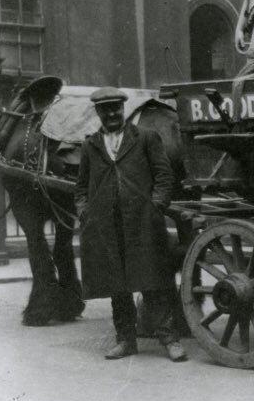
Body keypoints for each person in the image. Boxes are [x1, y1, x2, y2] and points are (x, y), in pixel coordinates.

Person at [75, 87, 187, 362]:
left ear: (123, 109)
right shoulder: (91, 146)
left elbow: (164, 177)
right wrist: (85, 213)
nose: (111, 113)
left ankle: (169, 339)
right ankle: (125, 340)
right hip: (106, 226)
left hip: (142, 223)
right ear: (98, 113)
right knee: (117, 285)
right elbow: (81, 189)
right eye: (105, 109)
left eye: (115, 108)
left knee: (152, 281)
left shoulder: (146, 138)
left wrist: (155, 207)